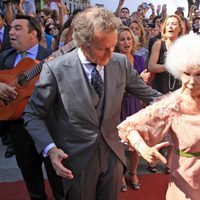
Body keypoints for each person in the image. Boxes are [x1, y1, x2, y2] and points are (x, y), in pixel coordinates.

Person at [23, 7, 161, 200]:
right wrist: (50, 149)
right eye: (103, 48)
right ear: (82, 43)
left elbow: (150, 95)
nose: (110, 53)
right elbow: (32, 114)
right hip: (75, 162)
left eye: (113, 46)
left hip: (113, 158)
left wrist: (181, 100)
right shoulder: (55, 69)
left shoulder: (120, 62)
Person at [118, 33, 200, 200]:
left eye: (198, 74)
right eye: (186, 73)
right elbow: (128, 127)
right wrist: (143, 148)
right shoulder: (171, 104)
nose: (191, 81)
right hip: (188, 180)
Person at [0, 14, 64, 200]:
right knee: (31, 179)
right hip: (18, 129)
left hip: (49, 127)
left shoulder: (52, 58)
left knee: (58, 178)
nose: (10, 32)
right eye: (10, 28)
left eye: (17, 28)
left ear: (33, 34)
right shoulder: (5, 57)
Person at [115, 25, 150, 192]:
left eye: (129, 39)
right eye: (122, 39)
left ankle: (133, 173)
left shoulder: (140, 60)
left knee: (135, 144)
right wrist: (136, 80)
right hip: (117, 105)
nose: (126, 42)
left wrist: (142, 80)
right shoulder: (112, 60)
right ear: (116, 42)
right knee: (118, 144)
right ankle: (120, 175)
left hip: (135, 105)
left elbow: (142, 86)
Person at [147, 14, 183, 173]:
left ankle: (169, 162)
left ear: (180, 28)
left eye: (174, 24)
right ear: (163, 27)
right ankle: (153, 160)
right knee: (156, 129)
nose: (170, 26)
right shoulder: (158, 44)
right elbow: (151, 67)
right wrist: (169, 66)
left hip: (179, 92)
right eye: (168, 23)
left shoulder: (184, 46)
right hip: (159, 91)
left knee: (175, 129)